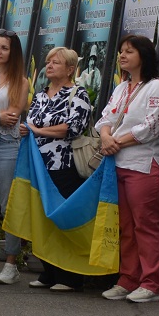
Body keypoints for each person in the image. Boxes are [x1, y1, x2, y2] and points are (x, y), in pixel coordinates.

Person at [97, 35, 159, 304]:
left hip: (144, 166)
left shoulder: (158, 86)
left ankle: (152, 283)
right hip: (117, 165)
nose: (122, 55)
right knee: (125, 227)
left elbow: (153, 126)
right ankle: (128, 279)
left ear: (144, 55)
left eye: (129, 51)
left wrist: (115, 141)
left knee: (146, 225)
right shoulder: (121, 87)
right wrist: (106, 137)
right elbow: (106, 118)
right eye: (121, 51)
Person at [22, 47, 95, 292]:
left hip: (64, 164)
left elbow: (72, 127)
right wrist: (27, 130)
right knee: (42, 219)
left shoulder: (78, 93)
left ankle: (71, 276)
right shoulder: (40, 95)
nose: (49, 65)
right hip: (38, 166)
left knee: (63, 218)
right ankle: (50, 271)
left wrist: (37, 130)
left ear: (70, 69)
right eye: (48, 61)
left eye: (56, 62)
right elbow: (31, 123)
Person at [0, 29, 31, 285]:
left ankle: (11, 263)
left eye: (4, 48)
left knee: (9, 205)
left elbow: (12, 116)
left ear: (13, 52)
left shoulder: (21, 81)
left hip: (7, 145)